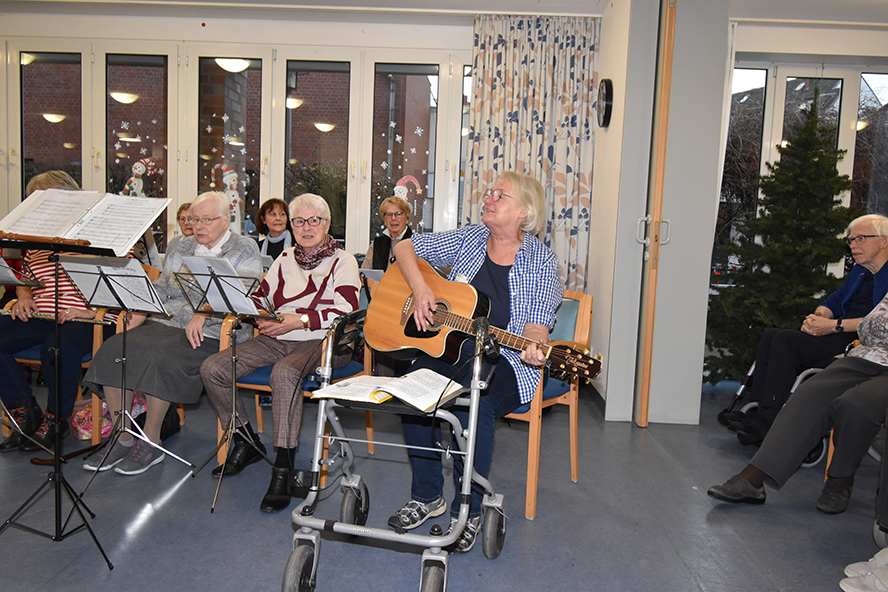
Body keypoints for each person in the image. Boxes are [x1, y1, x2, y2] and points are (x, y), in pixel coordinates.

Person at [385, 171, 563, 554]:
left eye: (500, 195)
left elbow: (535, 327)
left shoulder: (542, 262)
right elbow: (404, 246)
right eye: (489, 192)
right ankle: (428, 495)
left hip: (509, 361)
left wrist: (536, 346)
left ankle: (469, 510)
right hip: (451, 349)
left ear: (524, 211)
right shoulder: (469, 238)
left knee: (475, 403)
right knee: (410, 391)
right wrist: (421, 289)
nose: (488, 198)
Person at [81, 191, 262, 475]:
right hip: (168, 323)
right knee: (116, 348)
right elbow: (163, 285)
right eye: (194, 219)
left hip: (216, 331)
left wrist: (205, 311)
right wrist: (141, 308)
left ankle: (151, 441)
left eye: (207, 220)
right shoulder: (181, 245)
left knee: (162, 357)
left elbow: (244, 294)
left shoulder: (244, 248)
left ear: (226, 221)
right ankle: (123, 435)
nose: (198, 225)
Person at [200, 193, 360, 513]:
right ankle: (246, 441)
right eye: (299, 221)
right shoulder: (285, 258)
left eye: (314, 220)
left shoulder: (343, 261)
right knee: (213, 368)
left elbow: (347, 310)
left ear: (327, 224)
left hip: (324, 340)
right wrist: (258, 315)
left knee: (285, 372)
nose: (306, 227)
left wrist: (299, 321)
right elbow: (260, 296)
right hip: (279, 335)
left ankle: (283, 469)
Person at [708, 288, 888, 515]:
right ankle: (753, 479)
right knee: (810, 393)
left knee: (856, 403)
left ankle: (840, 479)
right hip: (869, 357)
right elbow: (869, 327)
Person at [725, 214, 888, 446]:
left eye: (860, 238)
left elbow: (880, 324)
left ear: (884, 241)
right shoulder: (860, 271)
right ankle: (760, 408)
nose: (853, 245)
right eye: (851, 240)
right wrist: (819, 316)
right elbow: (835, 300)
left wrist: (833, 326)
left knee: (786, 340)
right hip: (839, 331)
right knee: (771, 335)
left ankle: (768, 419)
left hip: (862, 343)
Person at [0, 170, 119, 453]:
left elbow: (121, 283)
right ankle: (25, 412)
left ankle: (56, 419)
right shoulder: (36, 241)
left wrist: (89, 310)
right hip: (45, 315)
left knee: (57, 348)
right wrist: (24, 296)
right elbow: (27, 278)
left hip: (91, 318)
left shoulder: (99, 234)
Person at [362, 195, 413, 271]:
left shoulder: (416, 243)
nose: (393, 218)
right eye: (389, 214)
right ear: (385, 220)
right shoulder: (377, 244)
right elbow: (365, 272)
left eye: (398, 214)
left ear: (407, 219)